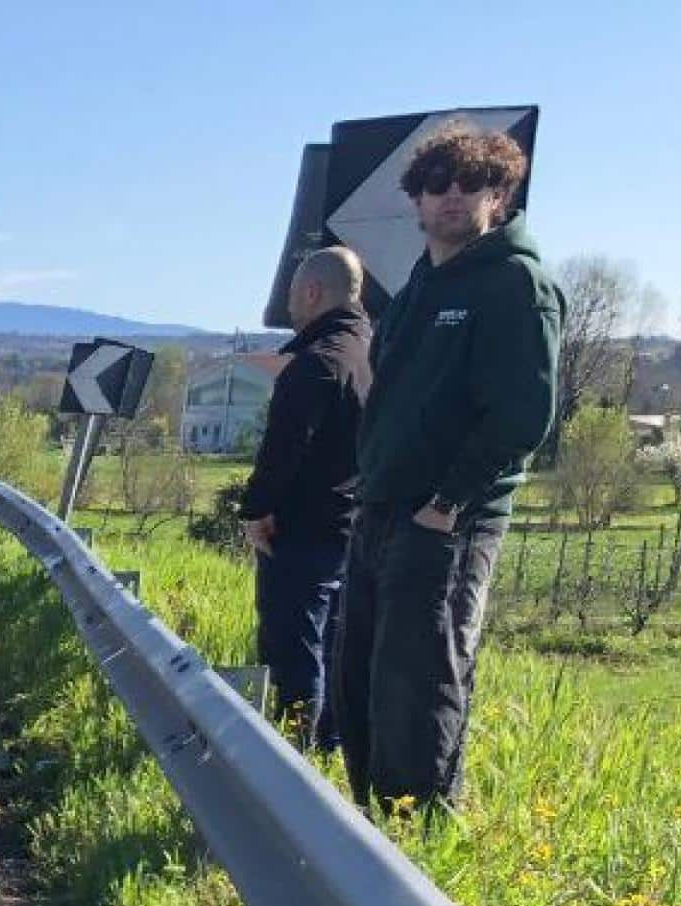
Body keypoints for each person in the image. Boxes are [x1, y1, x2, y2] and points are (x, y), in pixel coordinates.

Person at [330, 117, 561, 812]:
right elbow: (392, 397)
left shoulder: (515, 285)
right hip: (382, 509)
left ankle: (420, 842)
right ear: (417, 200)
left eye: (473, 183)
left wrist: (448, 504)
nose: (453, 196)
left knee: (418, 680)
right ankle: (369, 823)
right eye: (438, 184)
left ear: (502, 196)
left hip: (445, 522)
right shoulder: (418, 288)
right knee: (359, 681)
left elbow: (522, 417)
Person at [239, 246, 372, 751]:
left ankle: (294, 761)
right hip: (358, 530)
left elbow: (282, 453)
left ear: (312, 292)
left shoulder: (314, 365)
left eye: (294, 296)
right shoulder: (374, 355)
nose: (290, 308)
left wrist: (256, 512)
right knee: (337, 650)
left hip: (302, 533)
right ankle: (328, 753)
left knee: (295, 653)